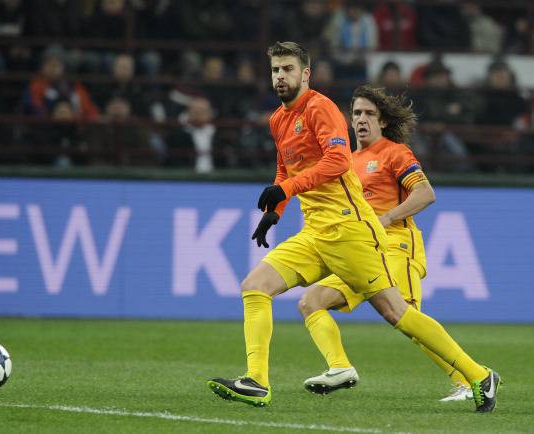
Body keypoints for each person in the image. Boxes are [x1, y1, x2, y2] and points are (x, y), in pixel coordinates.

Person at [207, 41, 500, 413]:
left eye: (288, 69)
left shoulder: (321, 108)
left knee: (396, 312)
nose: (280, 76)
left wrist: (288, 189)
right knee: (255, 286)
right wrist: (275, 210)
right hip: (314, 232)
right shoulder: (278, 119)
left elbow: (337, 161)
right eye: (276, 70)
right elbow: (285, 168)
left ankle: (478, 375)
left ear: (305, 74)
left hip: (350, 230)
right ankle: (257, 381)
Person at [297, 85, 473, 402]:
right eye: (357, 113)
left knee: (407, 317)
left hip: (397, 245)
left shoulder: (394, 153)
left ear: (383, 122)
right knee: (312, 301)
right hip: (363, 250)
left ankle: (470, 380)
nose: (362, 119)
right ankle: (339, 367)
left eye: (369, 113)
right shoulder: (346, 161)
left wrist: (387, 217)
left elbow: (425, 193)